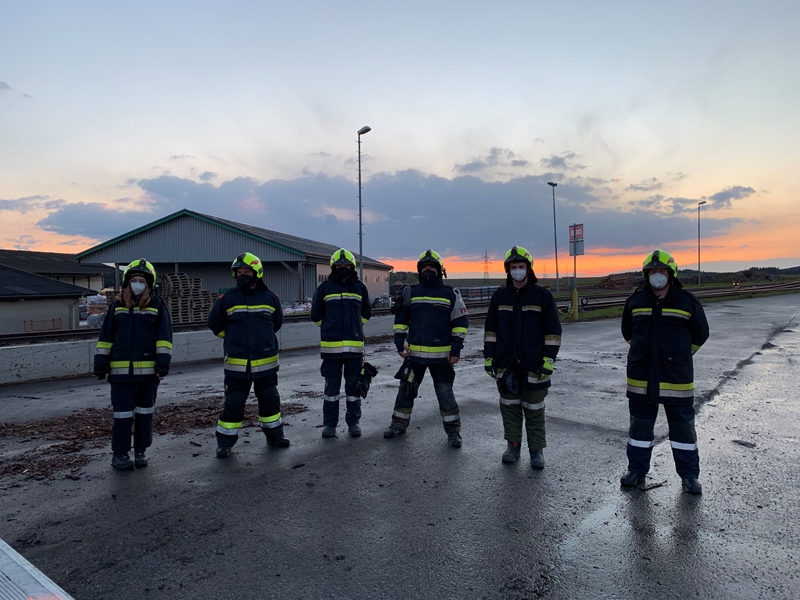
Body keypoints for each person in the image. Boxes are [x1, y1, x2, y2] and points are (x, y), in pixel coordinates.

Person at [620, 249, 710, 494]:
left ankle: (689, 476)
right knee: (639, 429)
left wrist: (680, 356)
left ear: (671, 274)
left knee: (683, 430)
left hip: (676, 379)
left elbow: (701, 334)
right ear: (645, 274)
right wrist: (644, 354)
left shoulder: (687, 301)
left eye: (661, 271)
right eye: (652, 271)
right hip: (641, 378)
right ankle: (636, 470)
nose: (657, 275)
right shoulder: (635, 301)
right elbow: (628, 333)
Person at [483, 246, 562, 469]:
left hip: (534, 364)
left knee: (534, 409)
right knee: (509, 407)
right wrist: (489, 357)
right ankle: (513, 446)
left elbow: (553, 332)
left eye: (521, 266)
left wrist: (548, 360)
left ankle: (536, 451)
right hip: (506, 363)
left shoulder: (542, 296)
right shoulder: (500, 296)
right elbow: (491, 330)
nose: (517, 270)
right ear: (508, 270)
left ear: (528, 269)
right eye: (513, 267)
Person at [383, 249, 468, 448]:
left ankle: (453, 432)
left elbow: (460, 323)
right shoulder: (411, 292)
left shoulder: (450, 293)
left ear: (440, 270)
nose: (428, 270)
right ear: (419, 270)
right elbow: (401, 320)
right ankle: (398, 425)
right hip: (415, 357)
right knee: (406, 390)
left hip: (442, 358)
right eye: (425, 267)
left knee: (445, 393)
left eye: (432, 266)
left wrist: (456, 350)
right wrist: (399, 342)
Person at [94, 259, 172, 470]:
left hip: (149, 374)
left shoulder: (157, 306)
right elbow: (106, 338)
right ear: (127, 283)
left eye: (142, 281)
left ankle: (140, 451)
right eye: (134, 280)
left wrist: (162, 366)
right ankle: (120, 454)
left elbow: (164, 339)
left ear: (149, 285)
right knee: (122, 415)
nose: (137, 284)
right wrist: (100, 364)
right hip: (120, 374)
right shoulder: (117, 307)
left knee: (145, 414)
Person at [208, 252, 288, 457]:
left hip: (266, 364)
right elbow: (214, 323)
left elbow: (276, 323)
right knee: (233, 404)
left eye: (246, 272)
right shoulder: (228, 299)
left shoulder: (270, 298)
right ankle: (224, 443)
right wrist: (232, 338)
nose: (242, 275)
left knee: (270, 401)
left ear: (257, 273)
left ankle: (275, 435)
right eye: (239, 272)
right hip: (237, 364)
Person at [310, 248, 372, 438]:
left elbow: (366, 313)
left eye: (346, 265)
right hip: (331, 350)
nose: (343, 268)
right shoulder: (324, 288)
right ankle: (330, 425)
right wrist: (330, 327)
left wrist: (354, 326)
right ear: (333, 267)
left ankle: (353, 423)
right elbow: (316, 315)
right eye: (339, 266)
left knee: (353, 390)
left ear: (352, 267)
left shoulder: (360, 288)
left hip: (354, 350)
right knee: (331, 390)